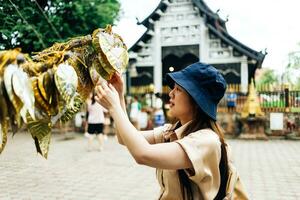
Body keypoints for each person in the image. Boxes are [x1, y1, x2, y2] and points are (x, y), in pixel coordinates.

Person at [95, 63, 248, 199]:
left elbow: (143, 154)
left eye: (179, 89)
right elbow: (124, 138)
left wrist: (114, 107)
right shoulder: (172, 131)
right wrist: (120, 94)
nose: (171, 93)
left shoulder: (206, 141)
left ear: (196, 100)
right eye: (173, 88)